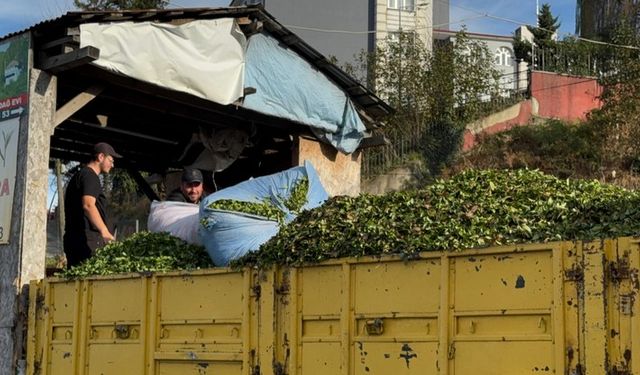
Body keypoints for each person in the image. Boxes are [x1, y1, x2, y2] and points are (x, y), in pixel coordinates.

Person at [63, 142, 122, 268]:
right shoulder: (90, 176)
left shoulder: (80, 176)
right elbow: (88, 205)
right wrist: (104, 231)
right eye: (110, 160)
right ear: (101, 157)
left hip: (75, 240)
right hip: (87, 242)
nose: (112, 164)